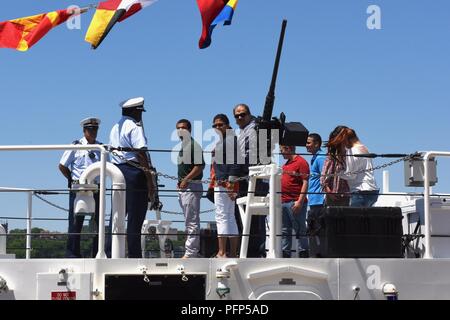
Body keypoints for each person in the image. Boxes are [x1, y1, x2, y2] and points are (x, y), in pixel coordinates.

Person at [109, 97, 155, 258]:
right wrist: (150, 180)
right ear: (136, 111)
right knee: (136, 217)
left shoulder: (115, 127)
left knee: (117, 215)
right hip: (133, 172)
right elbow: (141, 153)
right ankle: (135, 255)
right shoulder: (134, 127)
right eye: (140, 112)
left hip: (117, 172)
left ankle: (109, 252)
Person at [59, 117, 102, 258]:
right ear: (84, 131)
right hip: (79, 188)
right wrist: (71, 179)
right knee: (75, 222)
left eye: (95, 129)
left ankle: (97, 253)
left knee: (97, 222)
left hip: (95, 188)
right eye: (90, 129)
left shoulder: (101, 148)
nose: (93, 132)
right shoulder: (76, 146)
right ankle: (72, 254)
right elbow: (62, 165)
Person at [233, 103, 267, 258]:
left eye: (243, 114)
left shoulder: (254, 129)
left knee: (254, 217)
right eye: (237, 115)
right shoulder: (241, 131)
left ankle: (255, 252)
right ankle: (248, 251)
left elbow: (248, 155)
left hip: (253, 177)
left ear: (249, 114)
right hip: (245, 177)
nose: (240, 117)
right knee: (245, 216)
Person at [211, 114, 241, 258]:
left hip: (225, 183)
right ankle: (233, 252)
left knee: (222, 216)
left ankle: (222, 252)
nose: (217, 127)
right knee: (229, 217)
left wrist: (231, 182)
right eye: (215, 125)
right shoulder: (226, 141)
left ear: (228, 125)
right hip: (226, 182)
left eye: (220, 124)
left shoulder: (230, 141)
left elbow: (236, 163)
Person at [176, 119, 205, 258]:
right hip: (184, 187)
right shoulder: (184, 146)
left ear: (189, 130)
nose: (180, 131)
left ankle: (191, 252)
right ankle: (191, 250)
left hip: (191, 186)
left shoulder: (194, 146)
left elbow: (200, 166)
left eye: (183, 128)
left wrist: (186, 179)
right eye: (178, 128)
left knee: (192, 220)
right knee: (188, 220)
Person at [280, 145, 310, 258]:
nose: (281, 153)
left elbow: (305, 182)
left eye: (282, 150)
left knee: (300, 228)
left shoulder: (301, 162)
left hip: (295, 202)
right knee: (285, 229)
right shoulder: (286, 164)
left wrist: (300, 201)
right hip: (284, 201)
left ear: (288, 148)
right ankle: (285, 253)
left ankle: (303, 252)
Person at [338, 128, 379, 207]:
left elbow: (351, 175)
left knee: (355, 218)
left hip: (359, 191)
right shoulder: (365, 148)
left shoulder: (352, 151)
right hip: (372, 190)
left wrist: (337, 173)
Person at [321, 126, 351, 207]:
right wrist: (329, 192)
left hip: (347, 196)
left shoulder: (350, 154)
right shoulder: (331, 156)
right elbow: (323, 177)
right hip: (333, 197)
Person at [306, 133, 326, 217]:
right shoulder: (315, 157)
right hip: (314, 199)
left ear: (317, 144)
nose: (306, 145)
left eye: (308, 143)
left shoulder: (320, 157)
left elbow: (325, 177)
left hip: (319, 200)